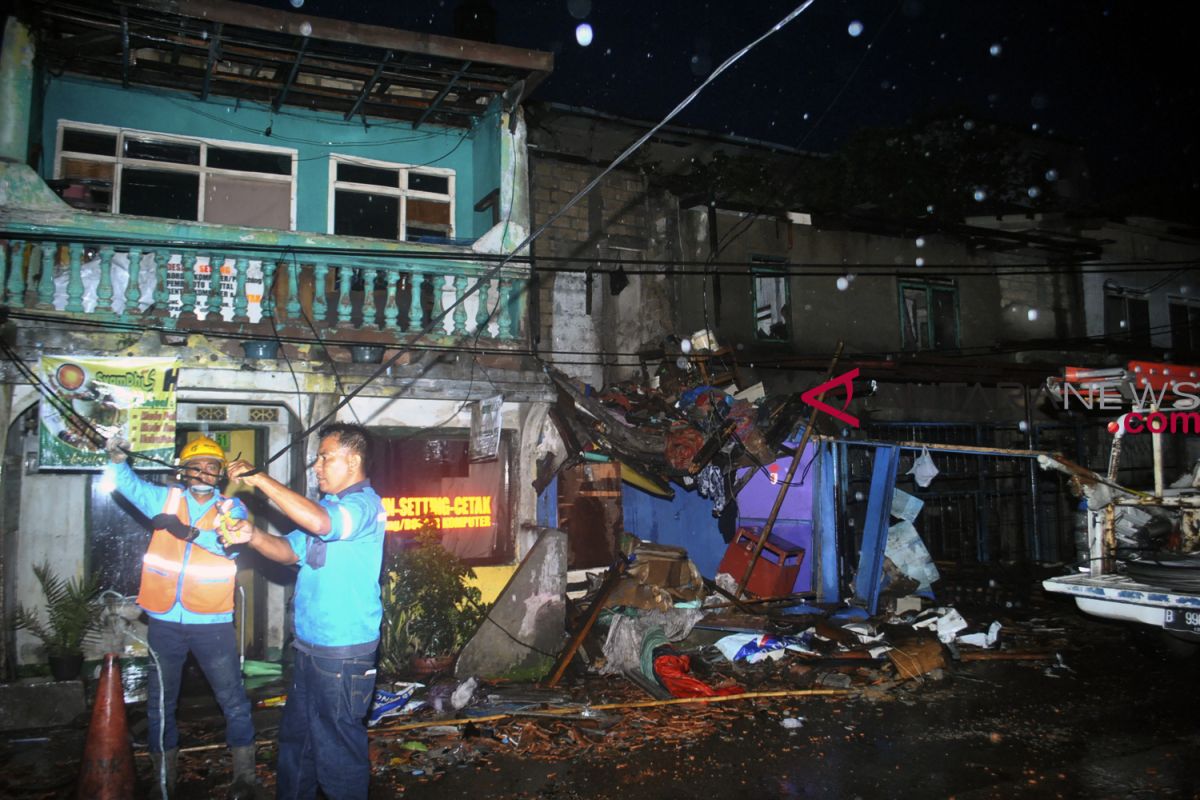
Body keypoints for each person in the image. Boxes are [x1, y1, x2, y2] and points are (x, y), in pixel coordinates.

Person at [224, 422, 385, 800]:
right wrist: (251, 535)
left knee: (337, 752)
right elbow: (289, 550)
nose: (317, 466)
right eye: (317, 458)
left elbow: (320, 525)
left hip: (343, 653)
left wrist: (259, 478)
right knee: (298, 744)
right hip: (310, 649)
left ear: (353, 460)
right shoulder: (327, 507)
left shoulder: (363, 506)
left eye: (325, 457)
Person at [104, 434, 258, 800]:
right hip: (164, 622)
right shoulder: (165, 498)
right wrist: (115, 457)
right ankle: (163, 781)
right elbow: (125, 484)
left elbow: (229, 541)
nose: (205, 472)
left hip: (212, 622)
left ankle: (245, 777)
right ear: (183, 471)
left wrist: (186, 531)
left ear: (221, 474)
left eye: (213, 467)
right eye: (197, 466)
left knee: (232, 699)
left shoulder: (231, 507)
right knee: (160, 703)